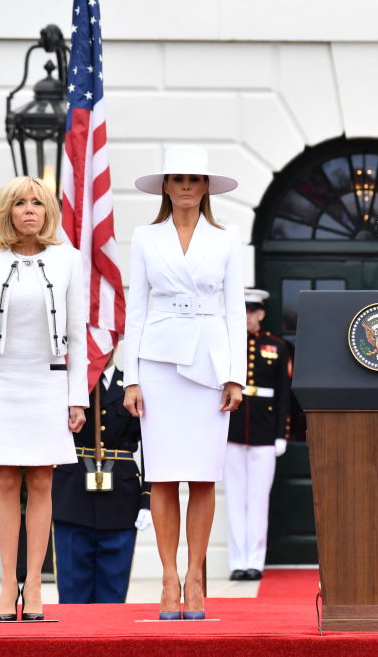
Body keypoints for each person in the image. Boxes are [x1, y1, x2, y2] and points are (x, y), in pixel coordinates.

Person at [123, 145, 246, 620]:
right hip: (158, 362)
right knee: (163, 474)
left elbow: (235, 310)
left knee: (202, 473)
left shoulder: (227, 239)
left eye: (195, 179)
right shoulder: (144, 237)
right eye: (179, 179)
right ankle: (168, 577)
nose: (187, 187)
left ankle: (195, 575)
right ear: (166, 186)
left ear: (207, 186)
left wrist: (236, 375)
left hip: (210, 364)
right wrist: (131, 378)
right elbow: (136, 309)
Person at [0, 176, 87, 621]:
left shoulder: (69, 259)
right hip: (0, 384)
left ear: (48, 210)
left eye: (37, 202)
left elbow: (77, 336)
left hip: (48, 383)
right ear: (6, 211)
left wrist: (77, 398)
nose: (29, 210)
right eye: (20, 203)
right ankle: (6, 582)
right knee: (8, 482)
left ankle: (33, 583)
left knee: (43, 482)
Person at [51, 350, 153, 603]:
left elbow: (152, 445)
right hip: (72, 495)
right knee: (72, 592)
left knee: (113, 592)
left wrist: (147, 498)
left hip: (120, 498)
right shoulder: (65, 385)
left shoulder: (132, 386)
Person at [225, 288, 291, 581]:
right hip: (233, 430)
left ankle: (255, 561)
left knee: (258, 500)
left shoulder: (276, 346)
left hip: (265, 432)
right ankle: (237, 562)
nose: (247, 317)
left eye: (252, 312)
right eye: (243, 311)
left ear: (261, 314)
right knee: (234, 499)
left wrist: (281, 434)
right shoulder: (228, 345)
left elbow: (284, 394)